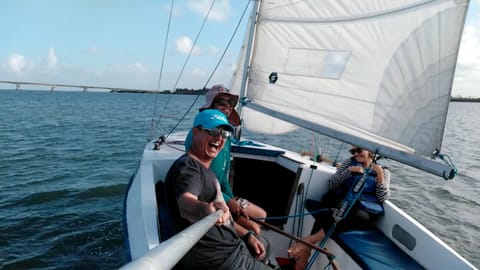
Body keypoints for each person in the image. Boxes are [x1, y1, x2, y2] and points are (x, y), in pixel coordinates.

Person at [165, 109, 276, 270]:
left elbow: (224, 219)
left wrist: (247, 235)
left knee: (266, 245)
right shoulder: (188, 167)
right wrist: (205, 210)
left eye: (224, 133)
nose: (219, 138)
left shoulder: (206, 170)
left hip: (233, 249)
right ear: (196, 132)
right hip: (222, 260)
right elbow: (186, 203)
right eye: (213, 131)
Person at [288, 146, 391, 270]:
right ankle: (307, 249)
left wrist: (379, 174)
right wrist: (348, 171)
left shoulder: (383, 171)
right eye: (353, 152)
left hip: (362, 209)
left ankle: (308, 243)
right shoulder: (349, 162)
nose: (355, 154)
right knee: (330, 203)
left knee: (359, 216)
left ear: (370, 152)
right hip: (344, 202)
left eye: (359, 151)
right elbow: (332, 184)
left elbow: (382, 198)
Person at [185, 84, 267, 236]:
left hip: (224, 195)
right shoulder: (200, 138)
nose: (228, 106)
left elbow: (223, 178)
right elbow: (206, 180)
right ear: (210, 106)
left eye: (231, 103)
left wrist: (231, 199)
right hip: (210, 198)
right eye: (222, 102)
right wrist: (228, 201)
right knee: (254, 229)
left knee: (261, 215)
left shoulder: (225, 138)